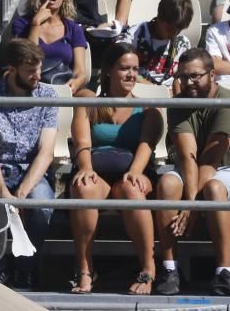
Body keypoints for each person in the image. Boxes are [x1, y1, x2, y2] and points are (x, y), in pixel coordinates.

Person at [154, 48, 230, 297]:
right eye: (183, 77)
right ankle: (169, 269)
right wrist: (190, 205)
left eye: (196, 76)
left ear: (212, 75)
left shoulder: (228, 101)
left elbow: (211, 158)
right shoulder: (179, 104)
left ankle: (224, 272)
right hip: (194, 169)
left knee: (214, 188)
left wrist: (191, 207)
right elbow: (189, 157)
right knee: (167, 184)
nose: (189, 83)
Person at [66, 42, 162, 295]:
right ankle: (85, 269)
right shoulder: (89, 103)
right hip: (97, 171)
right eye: (124, 68)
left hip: (133, 170)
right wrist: (85, 167)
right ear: (109, 71)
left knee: (132, 190)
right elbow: (82, 142)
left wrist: (136, 171)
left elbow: (146, 146)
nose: (131, 74)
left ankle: (148, 269)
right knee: (85, 188)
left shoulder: (150, 110)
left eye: (135, 69)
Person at [0, 38, 57, 290]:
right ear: (12, 69)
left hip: (32, 171)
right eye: (31, 71)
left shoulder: (47, 95)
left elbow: (46, 152)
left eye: (39, 69)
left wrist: (19, 195)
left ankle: (25, 268)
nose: (38, 76)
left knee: (43, 206)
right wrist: (3, 192)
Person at [11, 0, 89, 93]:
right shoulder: (22, 25)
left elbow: (80, 71)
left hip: (64, 86)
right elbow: (29, 60)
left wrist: (74, 84)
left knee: (89, 97)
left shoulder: (74, 29)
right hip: (30, 87)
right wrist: (36, 24)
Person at [123, 0, 194, 86]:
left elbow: (183, 75)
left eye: (178, 30)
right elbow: (121, 67)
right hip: (138, 88)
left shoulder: (182, 43)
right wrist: (147, 85)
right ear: (159, 17)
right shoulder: (136, 34)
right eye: (169, 29)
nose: (173, 34)